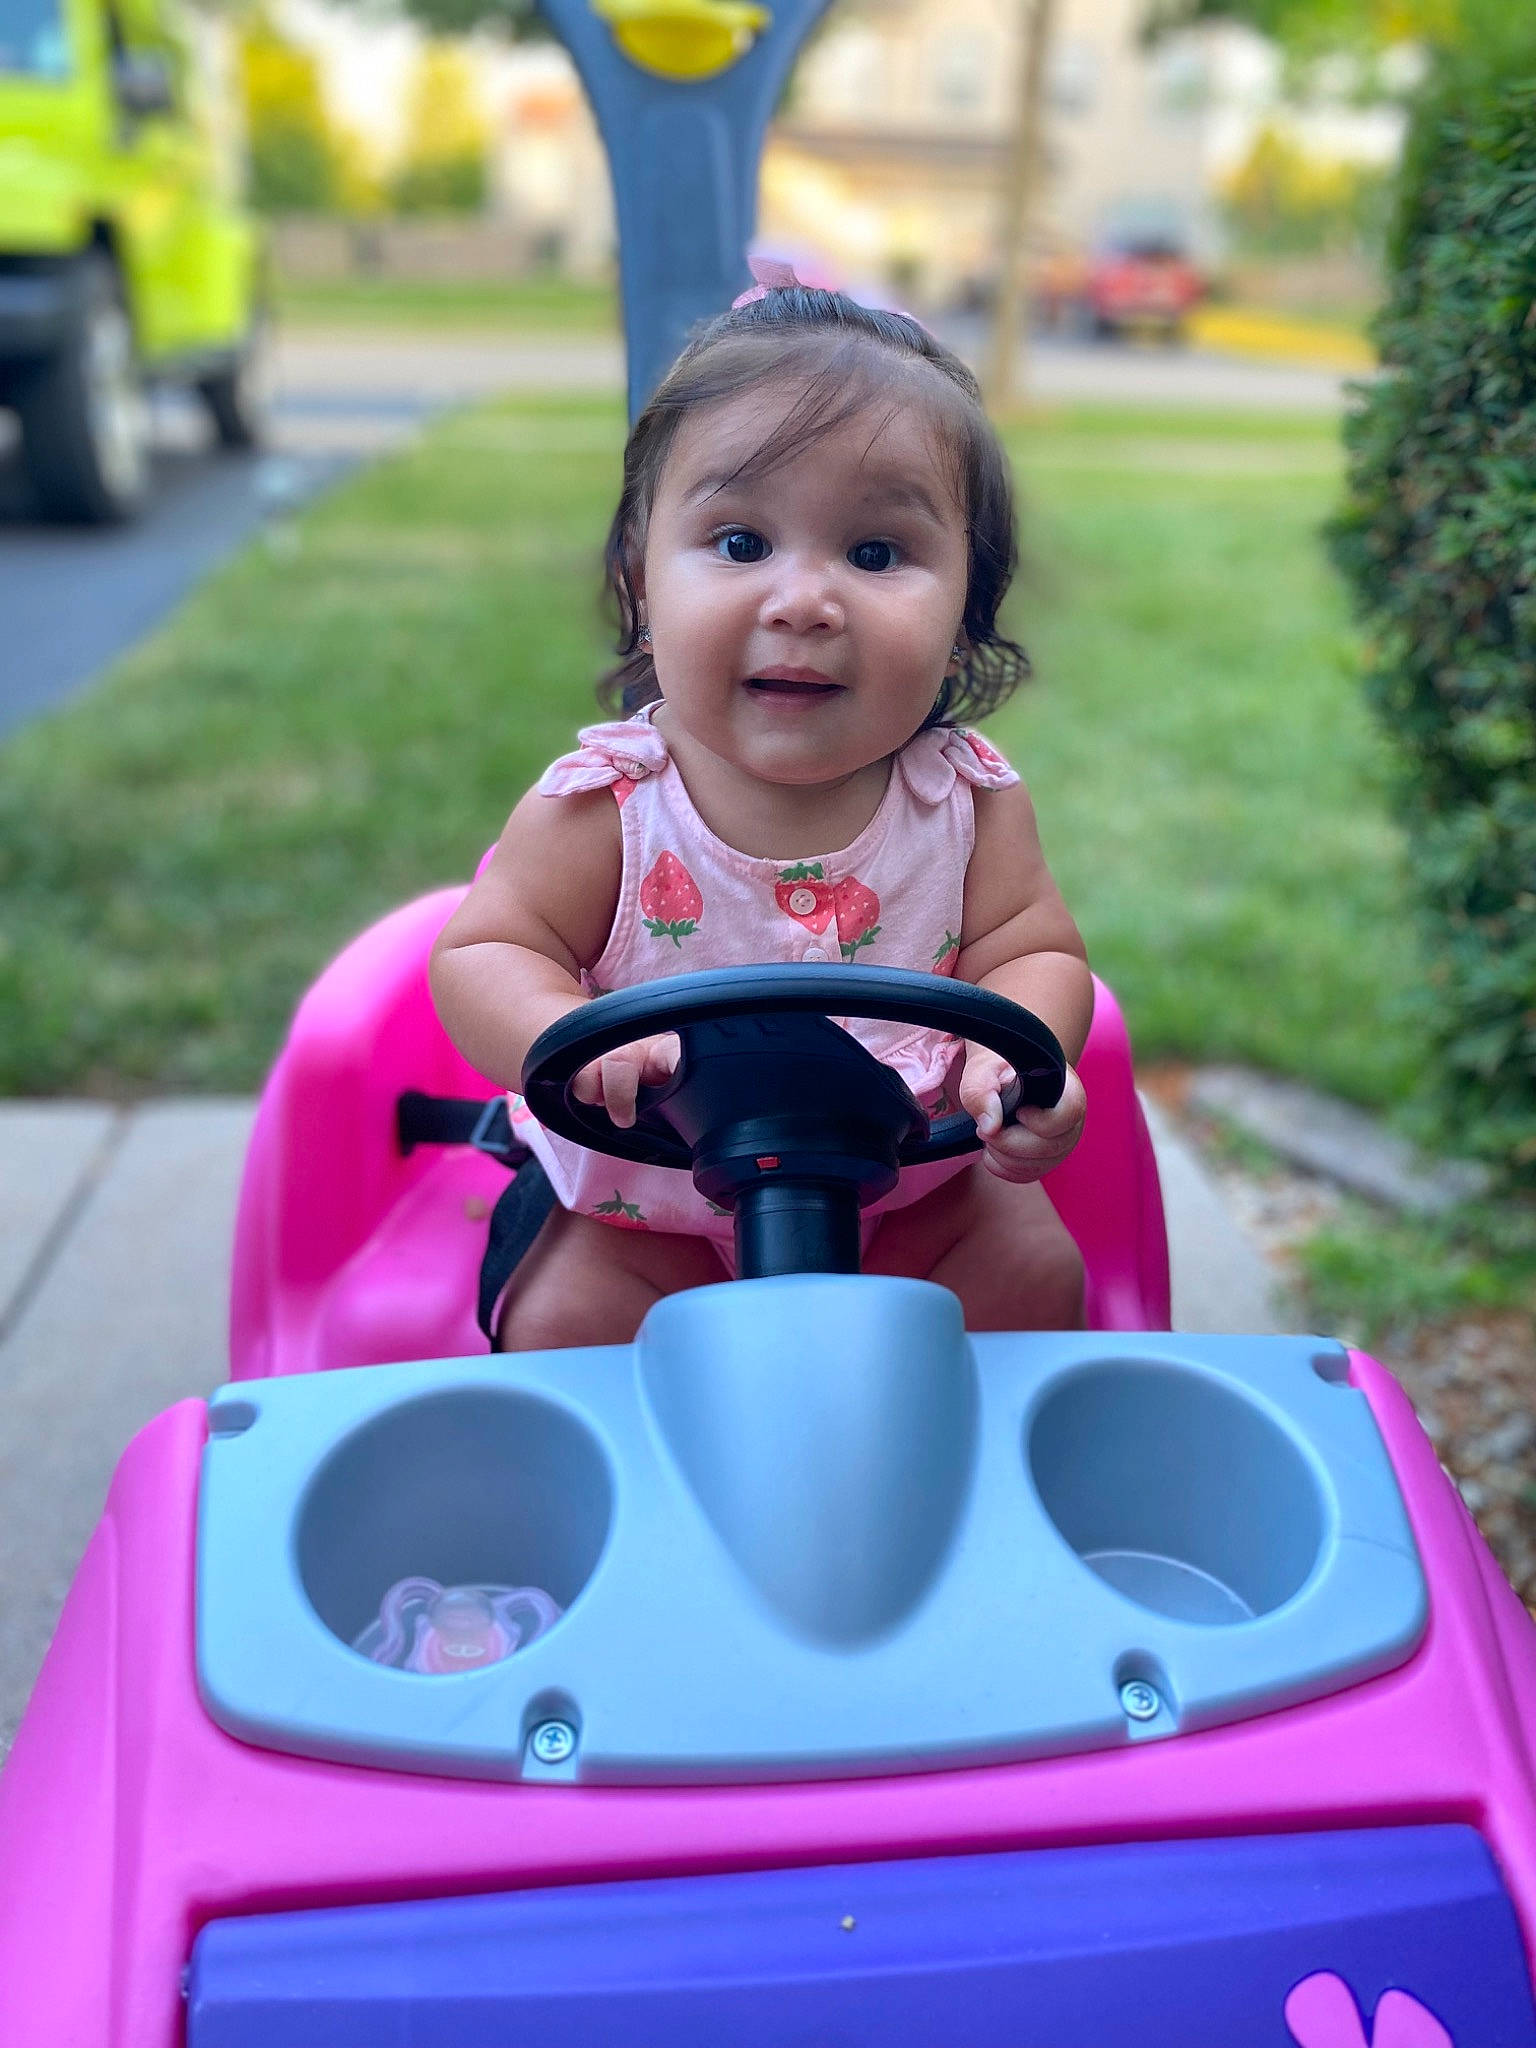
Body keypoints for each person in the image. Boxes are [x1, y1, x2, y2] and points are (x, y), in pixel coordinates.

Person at [431, 262, 1093, 1351]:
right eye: (740, 544)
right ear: (644, 588)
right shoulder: (610, 808)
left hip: (912, 1205)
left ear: (966, 618)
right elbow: (483, 950)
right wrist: (558, 1033)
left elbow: (1040, 954)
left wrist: (1016, 1059)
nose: (803, 602)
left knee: (1033, 1270)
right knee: (564, 1322)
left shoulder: (968, 805)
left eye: (876, 553)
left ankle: (963, 1501)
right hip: (648, 1215)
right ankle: (643, 1515)